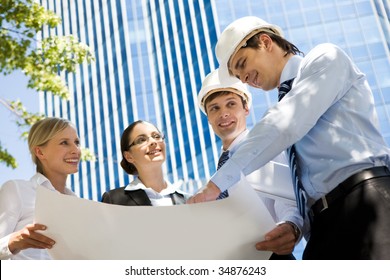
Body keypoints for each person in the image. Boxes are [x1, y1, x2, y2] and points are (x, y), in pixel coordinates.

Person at [189, 16, 390, 259]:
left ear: (264, 42)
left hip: (364, 200)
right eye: (238, 75)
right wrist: (294, 226)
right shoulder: (280, 124)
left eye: (242, 64)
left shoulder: (326, 57)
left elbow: (285, 123)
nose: (243, 78)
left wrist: (217, 185)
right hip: (321, 226)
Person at [198, 68, 307, 259]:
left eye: (231, 104)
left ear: (246, 108)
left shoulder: (266, 149)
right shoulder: (217, 175)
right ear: (208, 117)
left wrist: (290, 226)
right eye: (215, 108)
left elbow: (288, 202)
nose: (223, 113)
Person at [0, 117, 81, 260]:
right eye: (64, 143)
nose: (76, 150)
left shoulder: (79, 204)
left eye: (77, 142)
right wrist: (13, 242)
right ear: (40, 152)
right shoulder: (17, 190)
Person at [101, 120, 189, 206]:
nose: (153, 142)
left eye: (157, 136)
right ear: (129, 156)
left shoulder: (188, 201)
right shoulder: (114, 200)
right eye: (141, 140)